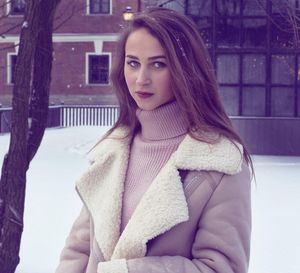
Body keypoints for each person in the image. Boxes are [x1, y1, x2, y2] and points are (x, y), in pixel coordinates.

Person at [56, 7, 252, 273]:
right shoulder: (112, 150)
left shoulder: (220, 163)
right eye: (133, 63)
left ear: (185, 70)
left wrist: (126, 271)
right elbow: (79, 251)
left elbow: (222, 268)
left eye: (158, 64)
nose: (141, 79)